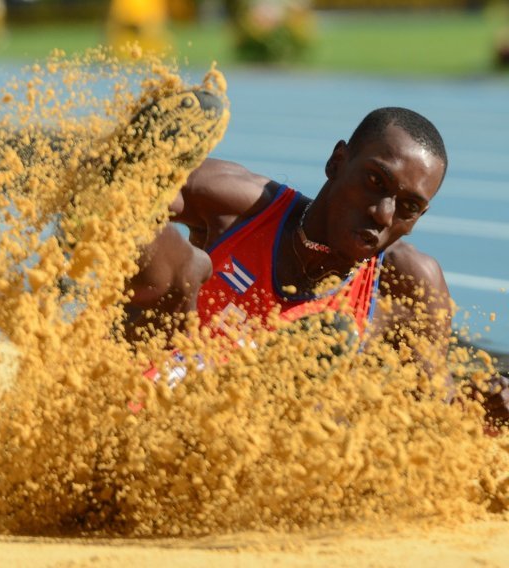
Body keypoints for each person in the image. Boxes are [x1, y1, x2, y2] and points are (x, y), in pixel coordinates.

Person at [125, 106, 509, 424]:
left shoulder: (405, 283)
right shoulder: (241, 205)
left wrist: (481, 408)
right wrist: (136, 179)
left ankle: (272, 383)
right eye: (376, 181)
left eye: (409, 207)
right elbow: (148, 211)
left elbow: (433, 414)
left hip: (232, 453)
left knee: (335, 412)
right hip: (131, 403)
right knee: (179, 261)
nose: (383, 214)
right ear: (337, 162)